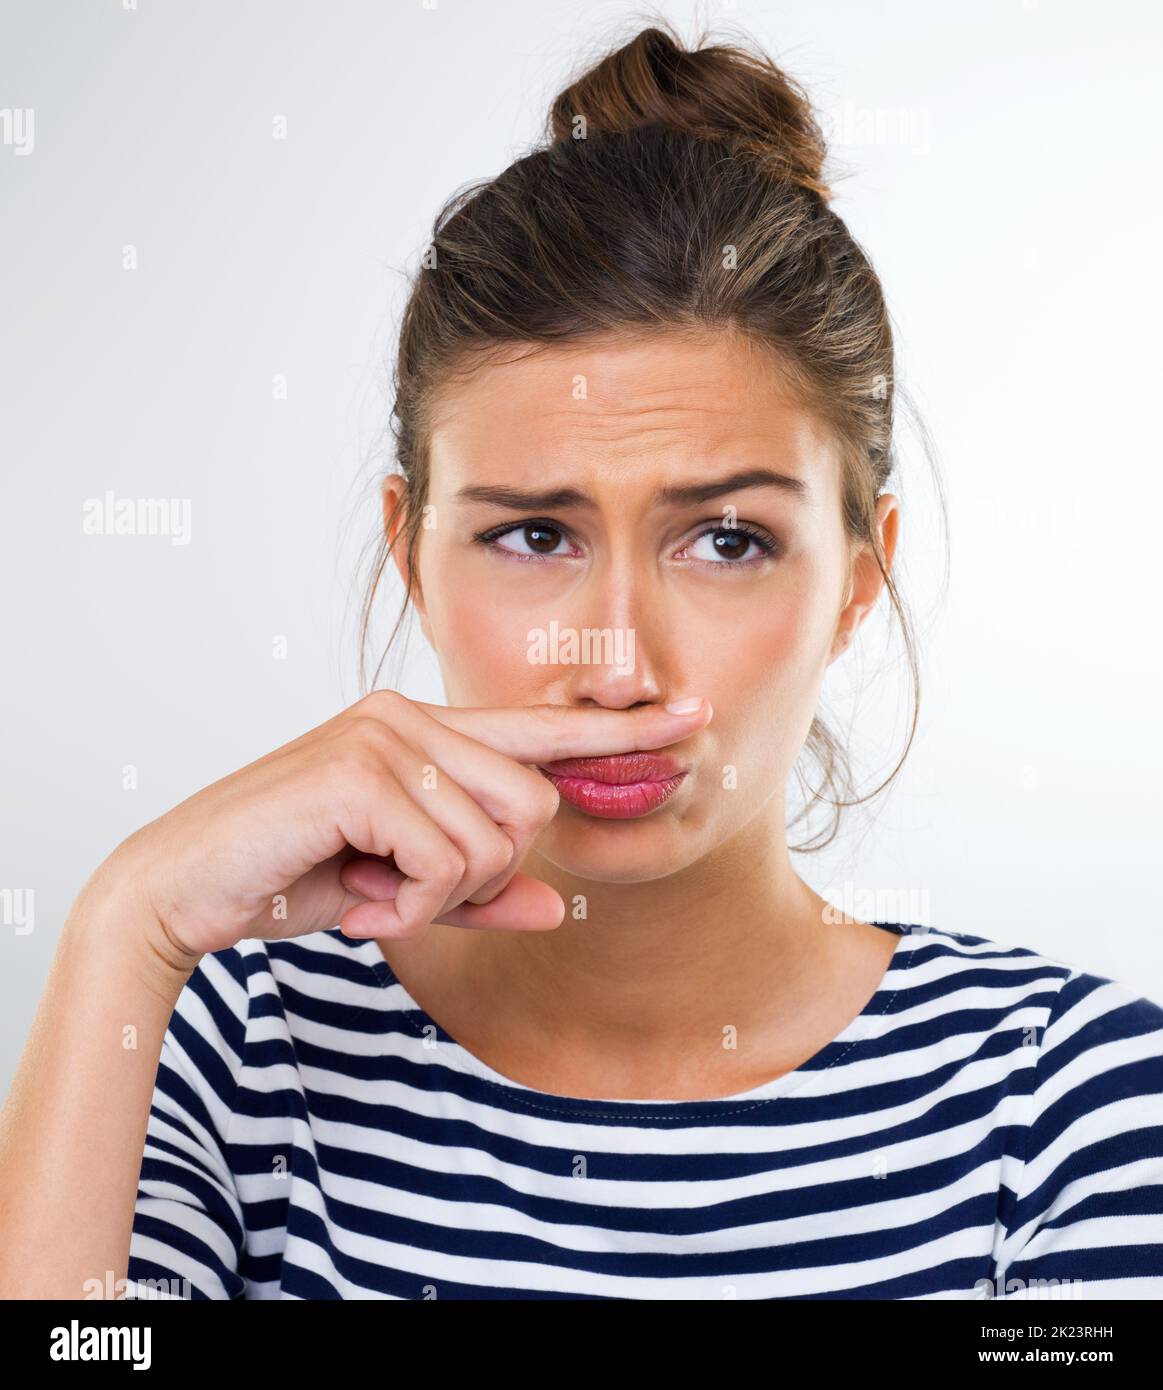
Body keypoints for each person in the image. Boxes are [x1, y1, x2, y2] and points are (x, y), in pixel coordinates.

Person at [2, 21, 1161, 1301]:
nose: (613, 669)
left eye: (726, 538)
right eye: (533, 534)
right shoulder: (225, 1055)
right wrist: (129, 918)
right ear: (411, 552)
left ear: (855, 580)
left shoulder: (1066, 1107)